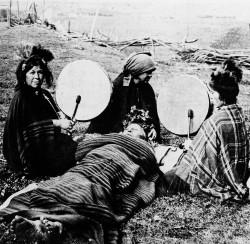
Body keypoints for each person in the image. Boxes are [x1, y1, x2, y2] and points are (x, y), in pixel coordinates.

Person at [0, 108, 161, 244]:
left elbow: (150, 165)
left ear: (147, 135)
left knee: (91, 190)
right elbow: (81, 149)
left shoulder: (144, 148)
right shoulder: (110, 138)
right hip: (89, 164)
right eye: (127, 128)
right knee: (63, 184)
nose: (128, 131)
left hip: (115, 167)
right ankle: (48, 224)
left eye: (134, 129)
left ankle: (52, 223)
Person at [159, 58, 250, 202]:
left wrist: (193, 147)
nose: (213, 96)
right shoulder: (238, 112)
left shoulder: (217, 121)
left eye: (214, 93)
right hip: (239, 173)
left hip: (218, 177)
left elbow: (208, 154)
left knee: (166, 178)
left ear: (221, 95)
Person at [3, 44, 77, 176]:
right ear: (24, 75)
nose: (37, 77)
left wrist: (64, 120)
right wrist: (58, 123)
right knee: (67, 156)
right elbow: (29, 129)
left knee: (72, 146)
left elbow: (53, 115)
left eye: (40, 72)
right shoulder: (21, 97)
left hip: (43, 144)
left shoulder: (44, 94)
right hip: (28, 150)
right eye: (32, 72)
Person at [86, 52, 161, 143]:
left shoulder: (146, 88)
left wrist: (152, 128)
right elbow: (112, 118)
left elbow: (151, 114)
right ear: (137, 70)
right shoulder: (118, 87)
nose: (150, 75)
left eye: (151, 72)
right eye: (148, 72)